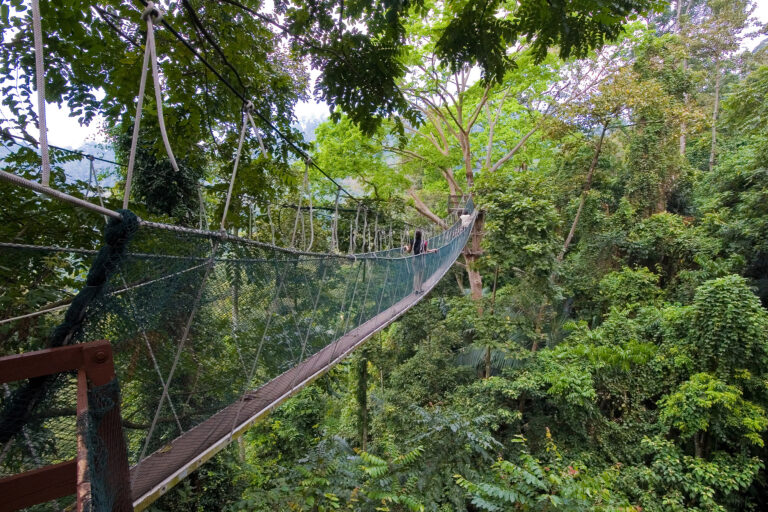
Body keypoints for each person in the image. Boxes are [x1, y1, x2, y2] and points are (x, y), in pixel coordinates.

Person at [405, 229, 435, 294]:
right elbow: (426, 250)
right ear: (421, 235)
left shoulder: (412, 241)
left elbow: (409, 251)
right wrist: (433, 250)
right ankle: (420, 289)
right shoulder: (424, 242)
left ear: (415, 235)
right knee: (421, 274)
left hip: (415, 259)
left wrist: (406, 247)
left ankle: (416, 289)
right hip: (422, 259)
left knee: (416, 274)